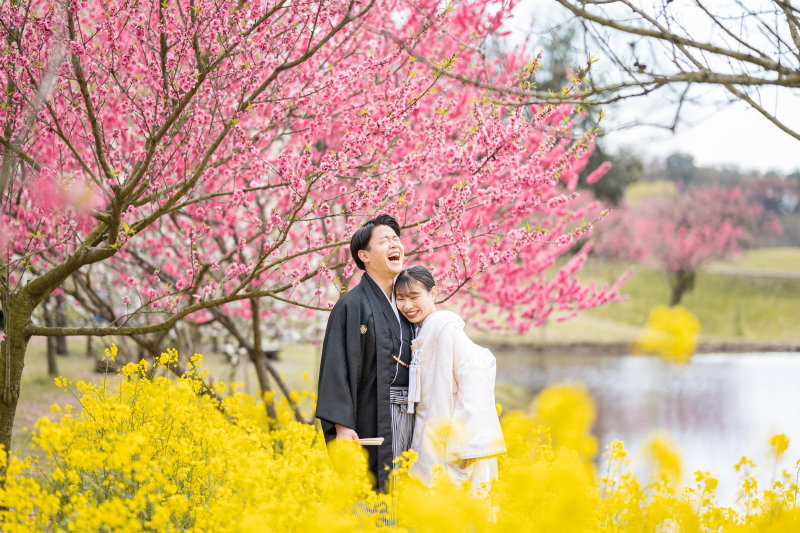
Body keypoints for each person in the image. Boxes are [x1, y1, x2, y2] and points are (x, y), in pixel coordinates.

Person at [316, 214, 415, 492]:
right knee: (370, 492)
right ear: (364, 255)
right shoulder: (351, 306)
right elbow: (336, 367)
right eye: (385, 240)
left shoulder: (408, 304)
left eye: (397, 238)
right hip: (370, 413)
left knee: (407, 490)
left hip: (408, 413)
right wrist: (342, 426)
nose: (395, 243)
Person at [394, 265, 506, 490]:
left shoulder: (445, 328)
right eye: (400, 298)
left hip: (452, 444)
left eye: (414, 296)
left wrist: (466, 445)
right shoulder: (423, 330)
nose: (407, 305)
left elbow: (476, 373)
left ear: (433, 293)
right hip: (431, 436)